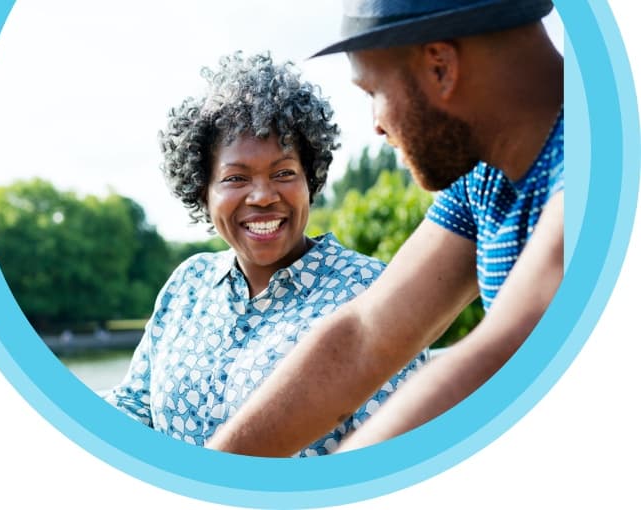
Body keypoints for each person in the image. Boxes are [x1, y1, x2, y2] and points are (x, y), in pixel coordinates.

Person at [208, 0, 563, 455]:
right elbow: (362, 335)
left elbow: (507, 355)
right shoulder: (484, 177)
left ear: (440, 68)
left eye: (372, 90)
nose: (376, 125)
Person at [103, 52, 428, 456]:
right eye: (236, 178)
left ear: (310, 179)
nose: (262, 196)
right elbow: (135, 407)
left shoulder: (369, 291)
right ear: (203, 192)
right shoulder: (187, 285)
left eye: (284, 173)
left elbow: (392, 452)